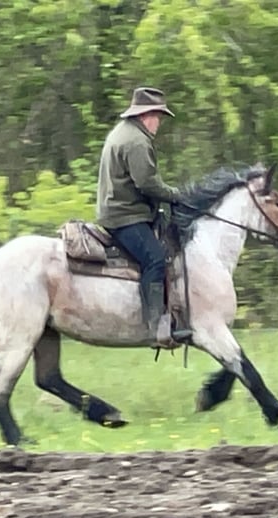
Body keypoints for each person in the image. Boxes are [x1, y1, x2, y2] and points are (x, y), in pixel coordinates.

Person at [96, 86, 193, 347]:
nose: (159, 123)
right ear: (146, 114)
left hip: (120, 211)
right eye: (158, 116)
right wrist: (176, 195)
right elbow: (147, 183)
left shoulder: (122, 133)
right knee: (156, 260)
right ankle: (156, 327)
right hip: (125, 217)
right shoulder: (137, 141)